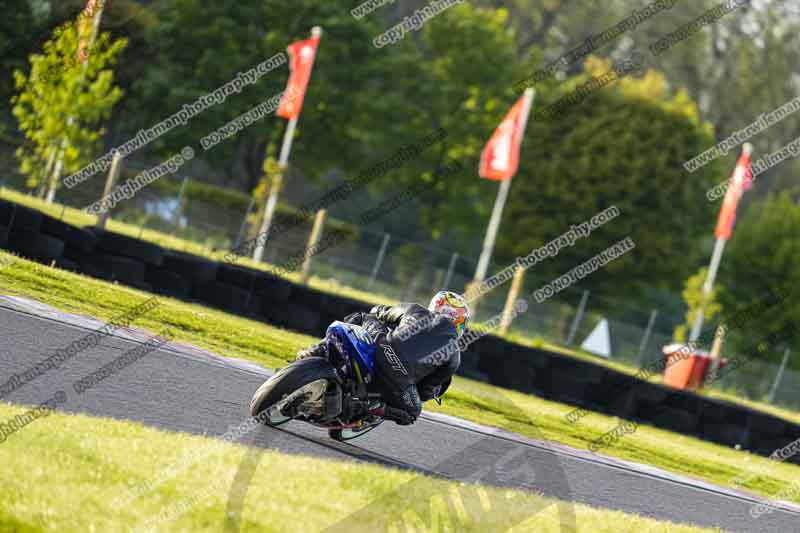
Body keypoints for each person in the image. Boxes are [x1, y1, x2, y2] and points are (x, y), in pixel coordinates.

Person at [296, 290, 470, 426]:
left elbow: (378, 311)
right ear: (459, 323)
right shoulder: (455, 354)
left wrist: (389, 323)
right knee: (413, 413)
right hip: (399, 379)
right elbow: (425, 391)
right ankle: (362, 407)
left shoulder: (415, 309)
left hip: (381, 349)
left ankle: (318, 349)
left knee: (365, 317)